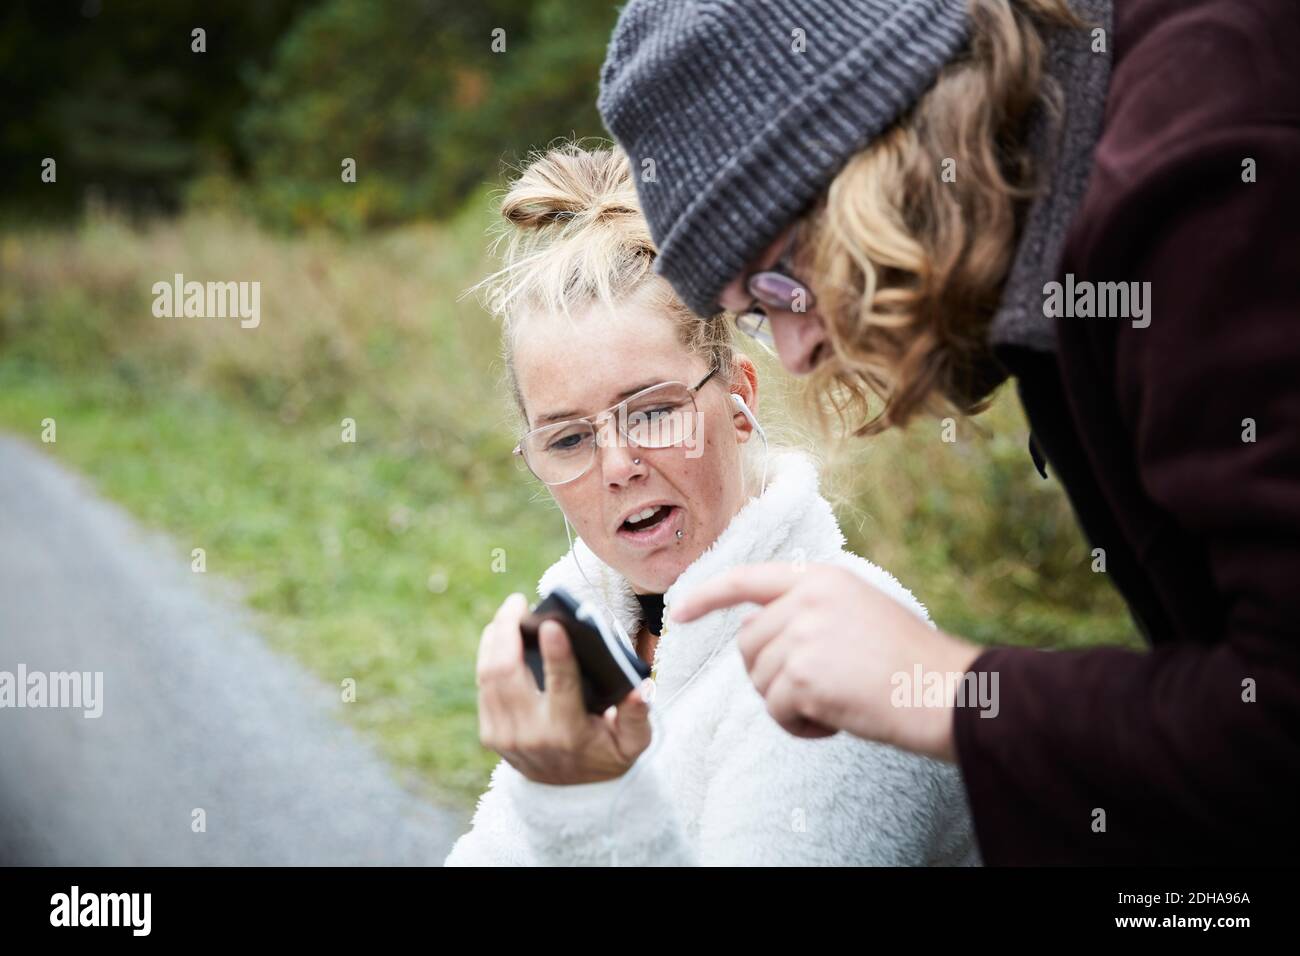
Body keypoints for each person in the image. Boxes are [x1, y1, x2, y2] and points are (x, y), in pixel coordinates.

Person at [596, 0, 1300, 863]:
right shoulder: (1054, 188)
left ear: (874, 156)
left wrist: (946, 691)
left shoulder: (1196, 183)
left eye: (778, 285)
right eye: (753, 317)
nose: (799, 351)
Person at [443, 144, 978, 866]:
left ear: (739, 401)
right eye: (569, 439)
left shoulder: (843, 661)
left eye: (654, 412)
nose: (618, 466)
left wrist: (582, 803)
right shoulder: (589, 627)